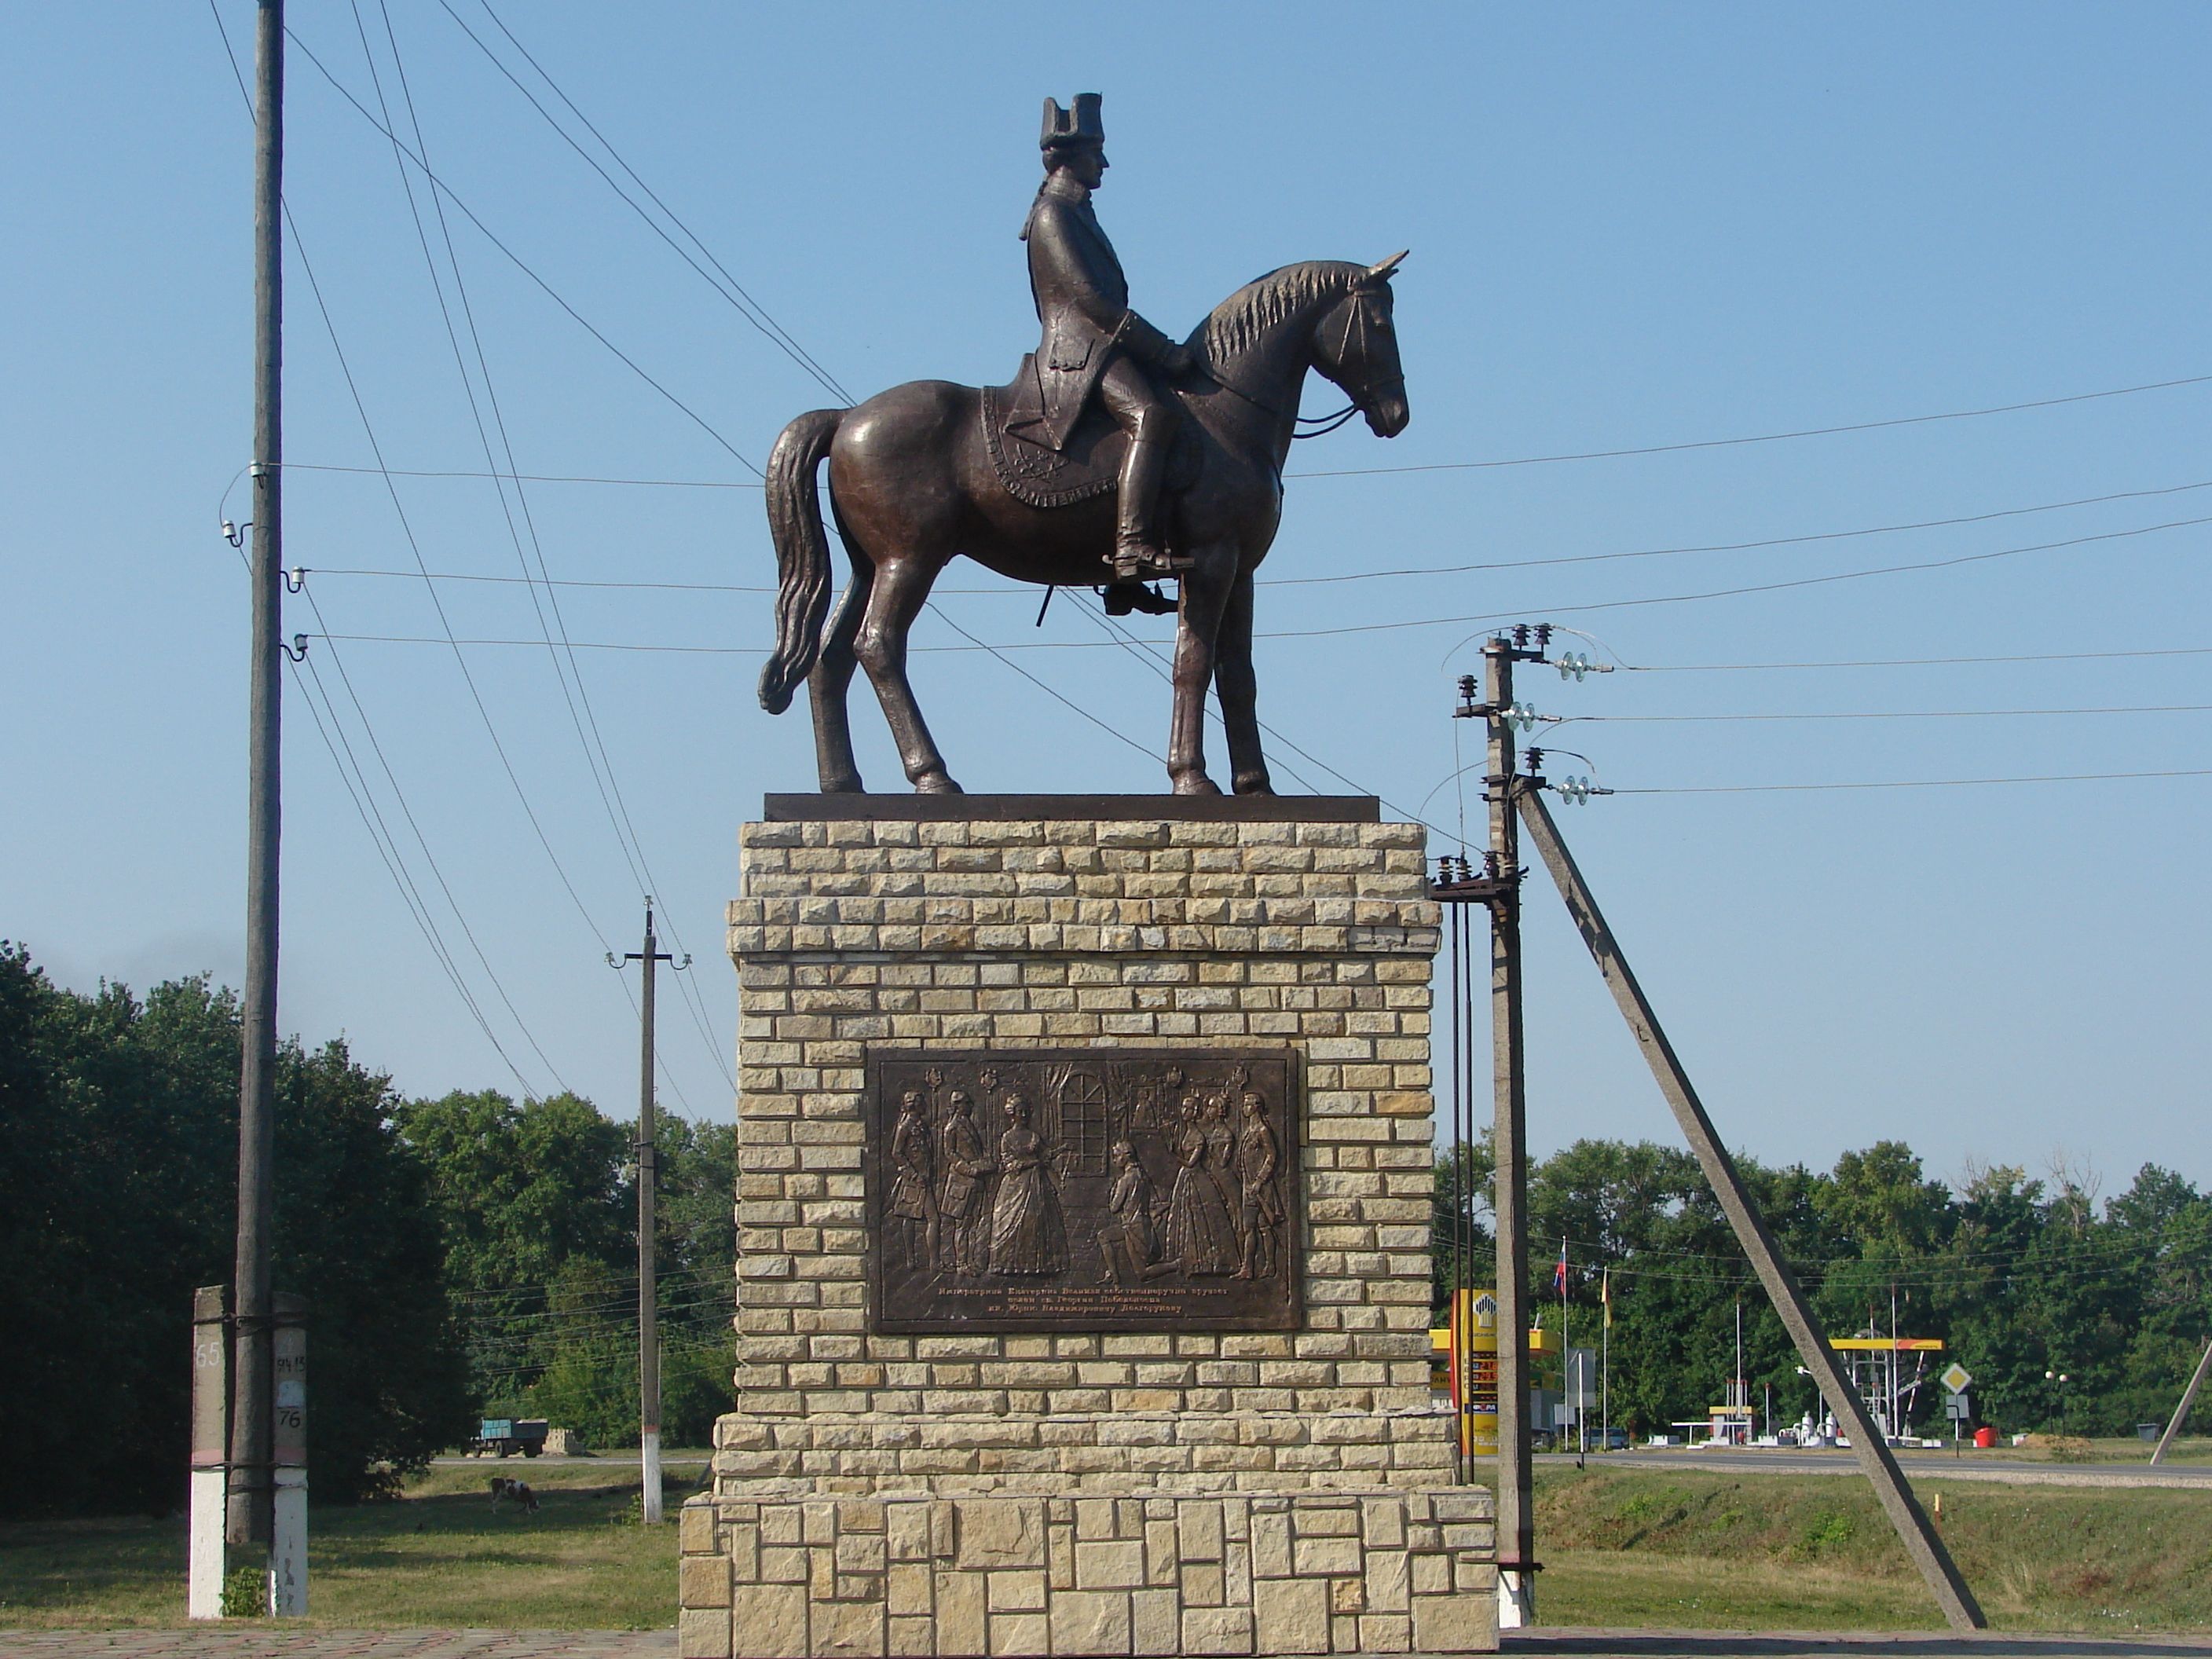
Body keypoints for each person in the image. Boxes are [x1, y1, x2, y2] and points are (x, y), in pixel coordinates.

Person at [1022, 93, 1193, 585]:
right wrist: (1161, 349)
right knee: (1152, 417)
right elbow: (1091, 302)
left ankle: (1124, 573)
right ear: (1070, 157)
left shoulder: (1077, 212)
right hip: (1080, 352)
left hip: (1097, 346)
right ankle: (1132, 547)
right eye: (1097, 152)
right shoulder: (1054, 214)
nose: (1105, 163)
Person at [989, 1092, 1067, 1274]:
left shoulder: (1034, 1136)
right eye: (1019, 1112)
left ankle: (1035, 1265)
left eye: (1026, 1112)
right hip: (1015, 1186)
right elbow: (1009, 1164)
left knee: (1036, 1222)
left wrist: (1061, 1150)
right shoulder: (1007, 1138)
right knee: (1010, 1221)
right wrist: (1032, 1163)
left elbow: (1046, 1155)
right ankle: (1009, 1264)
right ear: (1012, 1114)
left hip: (1036, 1185)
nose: (1023, 1115)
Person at [1164, 1095, 1237, 1276]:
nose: (1183, 1111)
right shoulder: (1187, 1133)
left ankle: (1204, 1264)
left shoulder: (1199, 1137)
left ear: (1195, 1112)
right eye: (1183, 1107)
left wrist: (1173, 1153)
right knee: (1185, 1220)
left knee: (1199, 1220)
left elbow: (1190, 1163)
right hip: (1185, 1179)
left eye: (1187, 1108)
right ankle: (1187, 1262)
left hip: (1196, 1179)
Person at [936, 1090, 991, 1276]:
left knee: (972, 1222)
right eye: (967, 1103)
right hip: (961, 1181)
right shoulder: (952, 1127)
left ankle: (971, 1260)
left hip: (974, 1180)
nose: (970, 1106)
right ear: (958, 1105)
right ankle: (961, 1263)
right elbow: (950, 1153)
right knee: (962, 1224)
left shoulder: (967, 1124)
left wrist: (984, 1162)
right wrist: (967, 1168)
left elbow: (976, 1149)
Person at [1232, 1089, 1283, 1280]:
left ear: (1256, 1108)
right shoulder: (1249, 1130)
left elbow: (1272, 1156)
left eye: (1247, 1104)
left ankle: (1266, 1266)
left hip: (1259, 1187)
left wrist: (1260, 1181)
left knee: (1260, 1227)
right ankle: (1250, 1267)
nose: (1244, 1107)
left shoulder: (1262, 1130)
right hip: (1248, 1186)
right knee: (1252, 1227)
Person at [1097, 1139, 1163, 1284]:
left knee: (1142, 1274)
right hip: (1144, 1224)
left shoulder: (1125, 1180)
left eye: (1116, 1156)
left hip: (1133, 1229)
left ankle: (1177, 1265)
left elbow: (1114, 1208)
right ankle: (1113, 1275)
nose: (1114, 1160)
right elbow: (1155, 1201)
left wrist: (1113, 1191)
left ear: (1126, 1156)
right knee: (1103, 1236)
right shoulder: (1144, 1176)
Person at [886, 1089, 936, 1272]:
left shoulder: (922, 1125)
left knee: (931, 1219)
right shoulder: (905, 1127)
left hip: (925, 1178)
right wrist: (913, 1175)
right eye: (922, 1102)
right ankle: (912, 1259)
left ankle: (933, 1262)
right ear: (915, 1105)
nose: (925, 1105)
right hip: (913, 1180)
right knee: (910, 1217)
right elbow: (896, 1153)